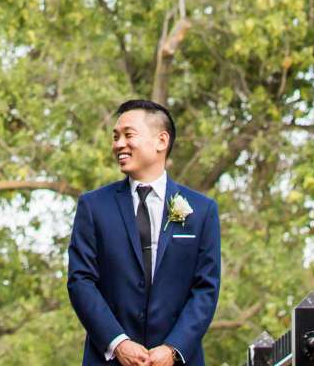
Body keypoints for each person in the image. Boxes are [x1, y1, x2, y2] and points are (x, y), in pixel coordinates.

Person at [66, 99, 222, 366]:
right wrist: (118, 343)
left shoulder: (202, 210)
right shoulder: (93, 206)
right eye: (115, 137)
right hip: (109, 360)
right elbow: (80, 281)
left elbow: (206, 288)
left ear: (161, 141)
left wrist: (174, 348)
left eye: (128, 135)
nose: (118, 144)